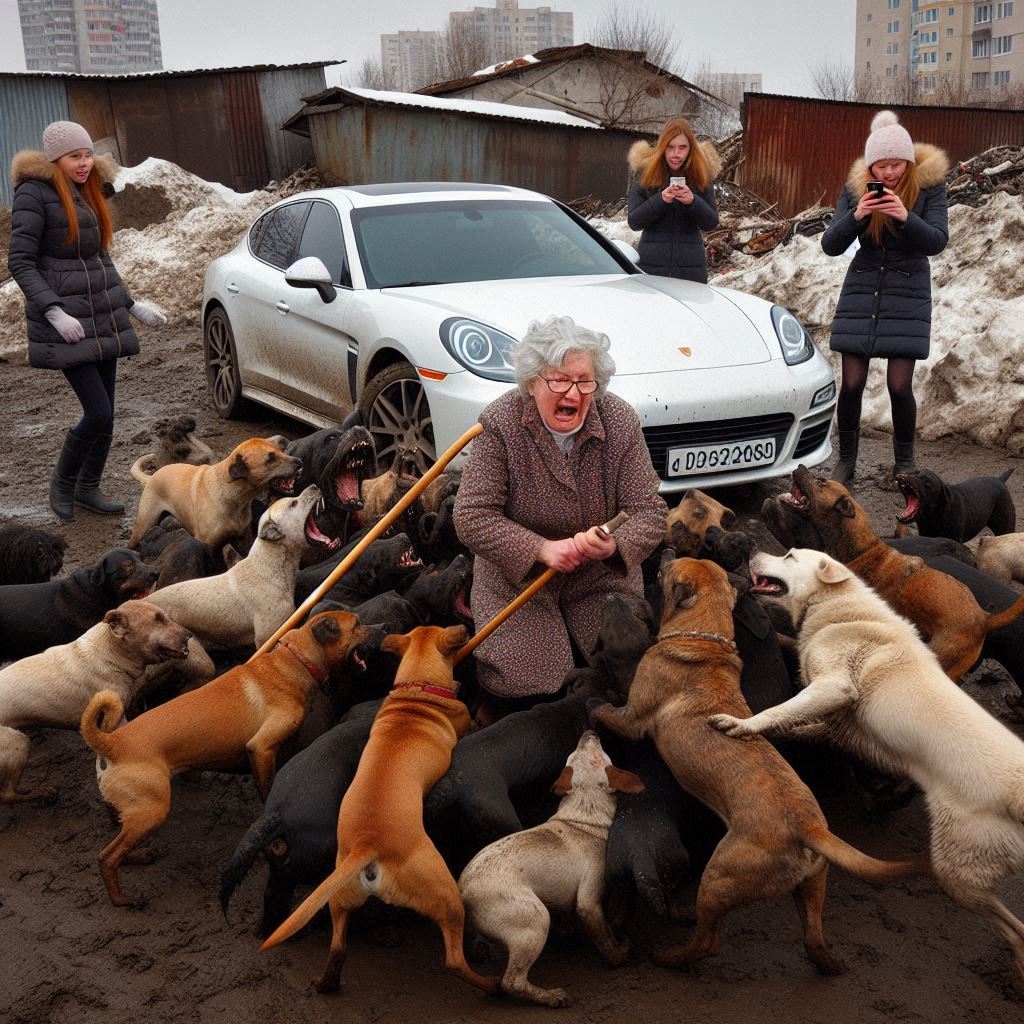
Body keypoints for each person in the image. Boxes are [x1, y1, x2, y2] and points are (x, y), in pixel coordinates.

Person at [453, 315, 668, 722]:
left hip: (600, 579)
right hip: (520, 585)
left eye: (584, 381)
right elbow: (472, 517)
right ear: (533, 384)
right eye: (559, 381)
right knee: (525, 693)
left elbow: (650, 510)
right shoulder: (500, 423)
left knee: (627, 681)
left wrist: (614, 545)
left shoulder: (619, 421)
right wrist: (542, 549)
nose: (574, 392)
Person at [8, 120, 167, 520]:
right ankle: (62, 485)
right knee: (97, 411)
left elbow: (99, 258)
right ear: (55, 159)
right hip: (67, 321)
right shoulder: (34, 194)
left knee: (107, 412)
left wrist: (130, 304)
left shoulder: (86, 191)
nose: (84, 163)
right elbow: (21, 262)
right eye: (75, 157)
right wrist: (52, 309)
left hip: (101, 316)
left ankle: (88, 487)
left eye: (87, 154)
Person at [821, 110, 949, 484]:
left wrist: (906, 216)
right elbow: (830, 244)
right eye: (880, 166)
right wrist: (858, 214)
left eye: (895, 165)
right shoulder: (855, 187)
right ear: (870, 166)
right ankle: (847, 460)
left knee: (898, 384)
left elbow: (937, 241)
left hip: (908, 288)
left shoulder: (929, 186)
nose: (888, 174)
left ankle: (904, 463)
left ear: (908, 162)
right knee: (851, 383)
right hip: (864, 283)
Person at [626, 116, 721, 283]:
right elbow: (634, 222)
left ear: (690, 148)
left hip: (691, 271)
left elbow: (711, 222)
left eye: (682, 147)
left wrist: (693, 202)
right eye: (670, 147)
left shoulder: (701, 173)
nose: (675, 154)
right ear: (662, 147)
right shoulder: (645, 173)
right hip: (651, 269)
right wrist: (660, 200)